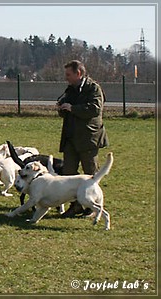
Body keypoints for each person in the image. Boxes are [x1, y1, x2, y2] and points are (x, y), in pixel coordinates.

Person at [56, 60, 109, 218]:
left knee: (91, 174)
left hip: (88, 138)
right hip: (71, 138)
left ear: (78, 73)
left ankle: (93, 207)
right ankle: (75, 205)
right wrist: (62, 108)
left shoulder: (93, 89)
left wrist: (72, 108)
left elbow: (94, 109)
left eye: (68, 74)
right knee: (68, 174)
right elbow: (66, 110)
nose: (66, 78)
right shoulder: (70, 90)